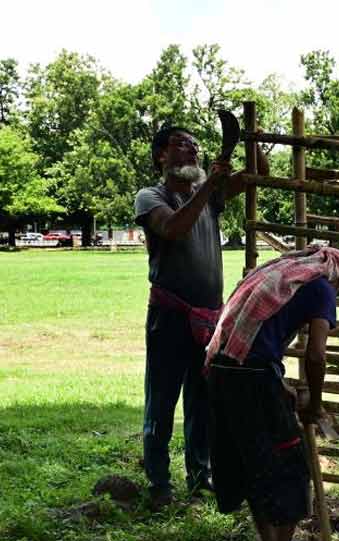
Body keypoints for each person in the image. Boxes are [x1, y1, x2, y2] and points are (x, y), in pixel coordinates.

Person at [134, 124, 269, 509]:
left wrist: (252, 141)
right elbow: (174, 229)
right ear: (161, 155)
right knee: (161, 401)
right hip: (170, 317)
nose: (191, 150)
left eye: (194, 145)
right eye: (181, 145)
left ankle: (199, 475)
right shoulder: (151, 197)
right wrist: (210, 185)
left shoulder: (207, 194)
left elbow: (260, 173)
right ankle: (159, 484)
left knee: (201, 402)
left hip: (209, 319)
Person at [205, 245, 339, 541]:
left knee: (250, 461)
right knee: (289, 466)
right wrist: (314, 404)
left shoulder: (277, 277)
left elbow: (250, 340)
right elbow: (316, 355)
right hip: (252, 376)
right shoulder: (322, 287)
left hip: (220, 371)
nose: (337, 298)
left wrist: (277, 382)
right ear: (338, 277)